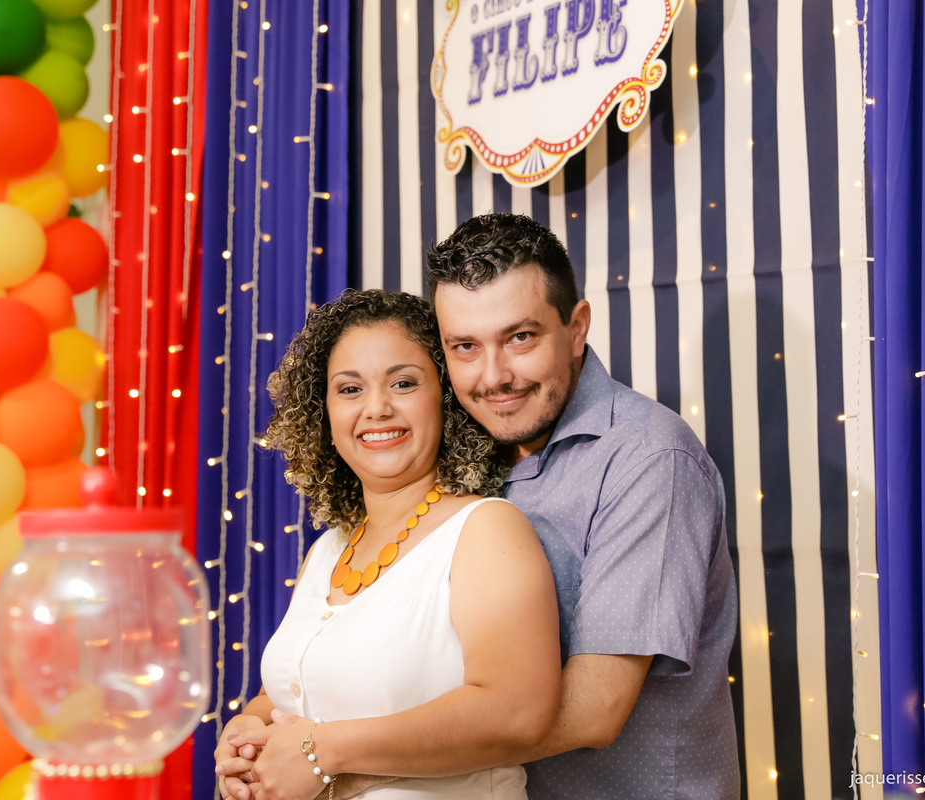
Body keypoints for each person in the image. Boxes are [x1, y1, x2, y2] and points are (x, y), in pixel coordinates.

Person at [427, 213, 740, 799]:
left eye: (520, 338)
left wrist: (348, 760)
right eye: (465, 347)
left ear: (576, 329)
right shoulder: (456, 456)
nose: (494, 376)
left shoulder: (650, 457)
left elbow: (595, 708)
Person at [214, 289, 562, 800]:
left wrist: (321, 751)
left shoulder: (486, 529)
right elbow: (291, 693)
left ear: (445, 398)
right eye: (349, 389)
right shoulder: (326, 551)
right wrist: (247, 729)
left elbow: (517, 713)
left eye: (403, 383)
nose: (376, 408)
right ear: (324, 413)